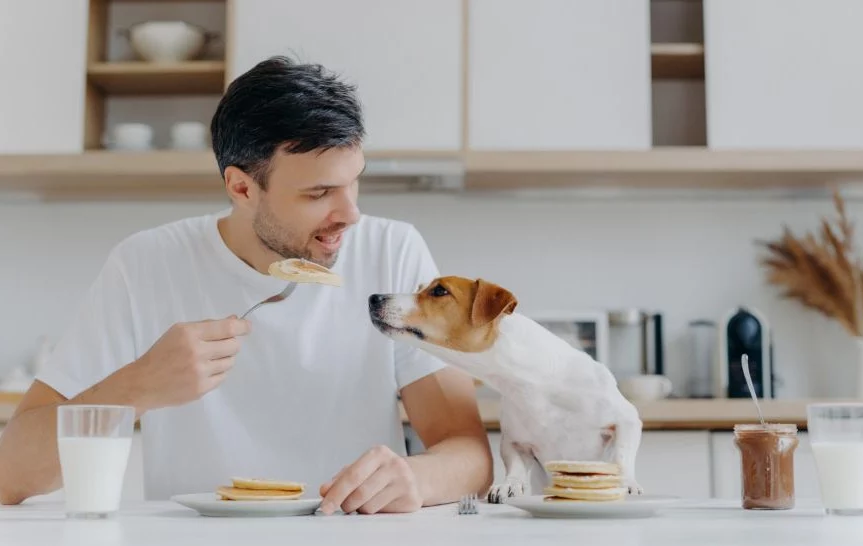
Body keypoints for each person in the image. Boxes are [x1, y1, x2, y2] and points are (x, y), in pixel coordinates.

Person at [0, 56, 493, 515]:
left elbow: (469, 453)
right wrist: (140, 385)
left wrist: (415, 479)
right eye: (319, 193)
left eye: (353, 181)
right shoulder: (146, 264)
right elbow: (10, 474)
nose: (350, 214)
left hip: (346, 532)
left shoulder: (392, 251)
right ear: (241, 188)